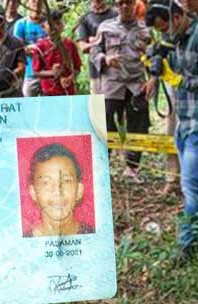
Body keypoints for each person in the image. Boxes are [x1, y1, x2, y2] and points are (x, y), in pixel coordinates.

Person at [145, 0, 198, 261]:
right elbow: (162, 62)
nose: (166, 32)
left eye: (167, 25)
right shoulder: (173, 40)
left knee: (190, 183)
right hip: (184, 121)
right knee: (197, 182)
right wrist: (154, 63)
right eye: (160, 30)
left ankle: (186, 244)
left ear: (179, 15)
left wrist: (182, 81)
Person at [91, 0, 150, 180]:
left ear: (135, 5)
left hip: (136, 85)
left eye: (128, 3)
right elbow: (94, 51)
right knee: (105, 125)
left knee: (138, 126)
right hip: (112, 84)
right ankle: (102, 168)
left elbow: (154, 57)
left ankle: (132, 169)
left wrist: (152, 81)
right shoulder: (105, 27)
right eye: (121, 3)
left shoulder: (146, 30)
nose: (124, 6)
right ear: (117, 6)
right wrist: (105, 59)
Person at [25, 143, 94, 237]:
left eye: (66, 181)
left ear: (79, 191)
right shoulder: (21, 245)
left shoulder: (97, 238)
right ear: (33, 192)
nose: (58, 191)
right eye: (46, 182)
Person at [32, 9, 81, 96]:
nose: (55, 27)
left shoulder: (70, 45)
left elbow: (77, 68)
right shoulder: (40, 47)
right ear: (43, 27)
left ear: (62, 25)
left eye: (58, 23)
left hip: (68, 92)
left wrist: (70, 79)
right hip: (48, 92)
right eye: (51, 24)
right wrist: (52, 73)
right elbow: (36, 72)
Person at [75, 0, 118, 94]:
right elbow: (83, 47)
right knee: (97, 106)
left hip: (116, 70)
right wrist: (99, 40)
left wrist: (95, 40)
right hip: (96, 71)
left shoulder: (116, 14)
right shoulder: (85, 18)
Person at [13, 0, 48, 97]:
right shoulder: (21, 24)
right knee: (27, 105)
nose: (36, 3)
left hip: (48, 73)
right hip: (29, 73)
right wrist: (28, 49)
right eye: (33, 1)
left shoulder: (49, 24)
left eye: (39, 1)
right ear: (27, 3)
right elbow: (16, 49)